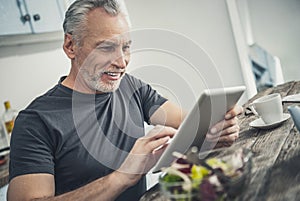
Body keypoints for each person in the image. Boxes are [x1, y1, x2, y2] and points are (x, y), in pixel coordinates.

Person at [7, 0, 243, 200]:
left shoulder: (130, 87)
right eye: (107, 48)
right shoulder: (35, 122)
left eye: (126, 47)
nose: (121, 62)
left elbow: (188, 122)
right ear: (71, 46)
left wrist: (216, 127)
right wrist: (122, 176)